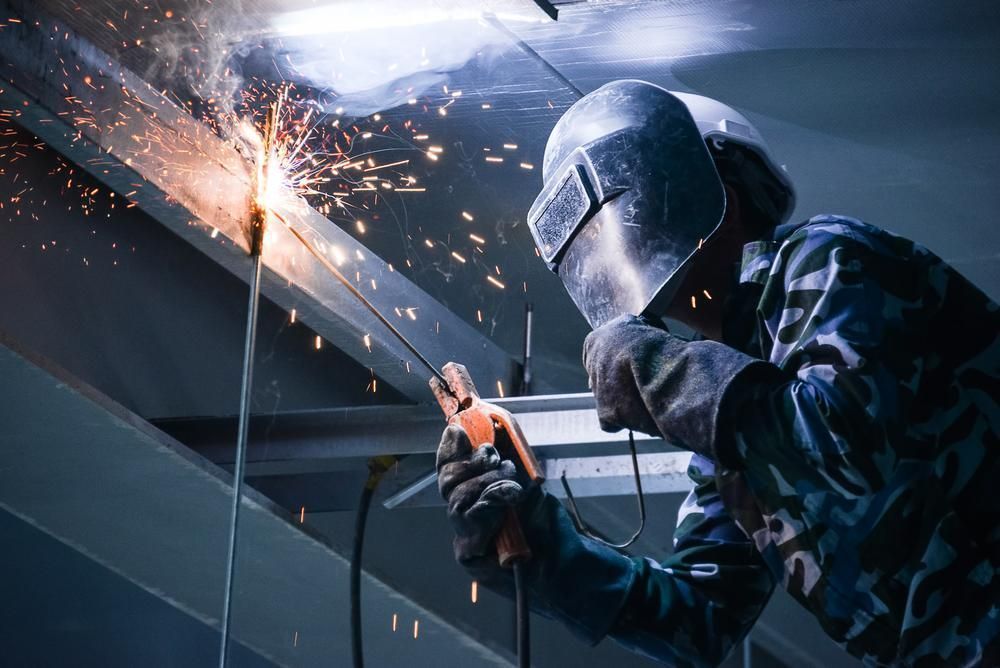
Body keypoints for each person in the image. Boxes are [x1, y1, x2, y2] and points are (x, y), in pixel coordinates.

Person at [435, 80, 1000, 667]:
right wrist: (536, 539)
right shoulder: (725, 444)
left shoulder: (826, 258)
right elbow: (698, 619)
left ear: (714, 181)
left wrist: (659, 370)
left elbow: (845, 442)